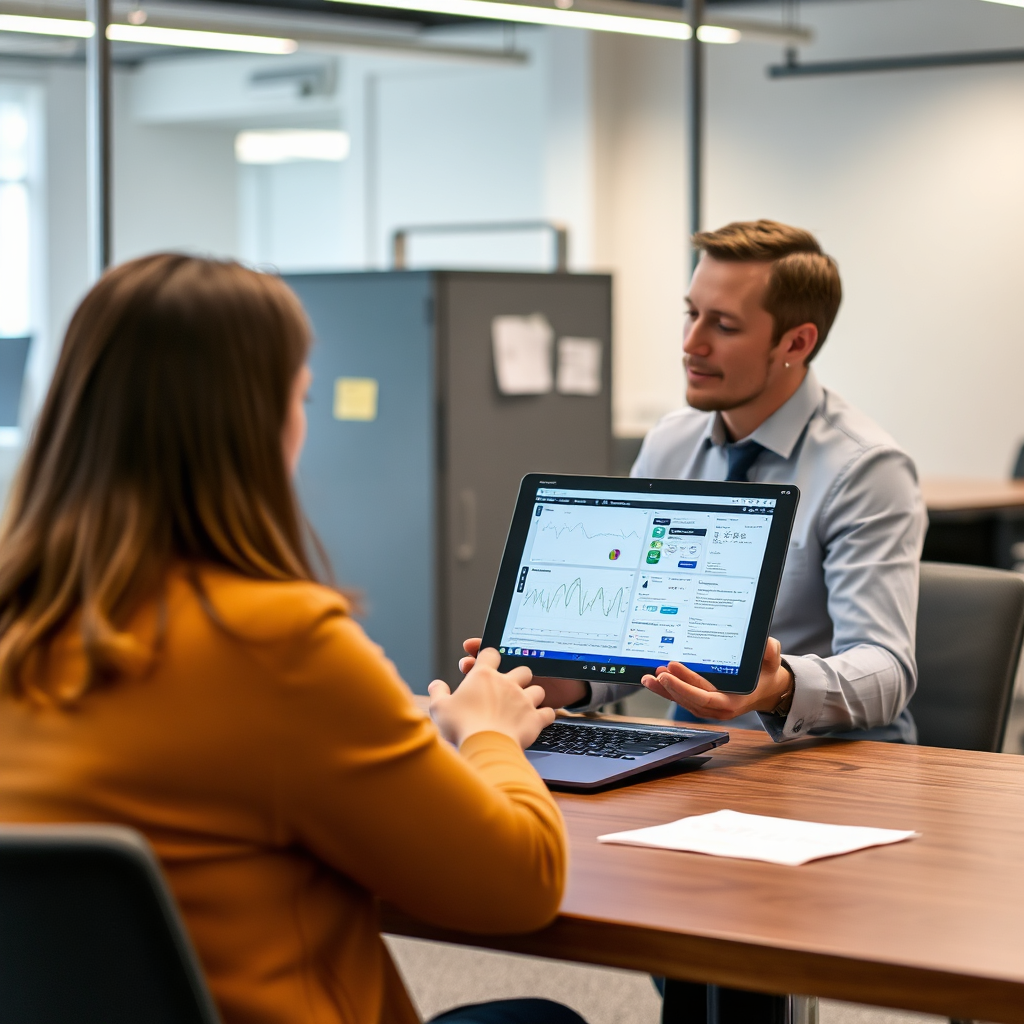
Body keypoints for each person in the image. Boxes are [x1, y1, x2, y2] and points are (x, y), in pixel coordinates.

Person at [0, 254, 586, 1024]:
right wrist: (490, 733)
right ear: (254, 422)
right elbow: (520, 886)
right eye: (299, 396)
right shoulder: (279, 646)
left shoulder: (23, 619)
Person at [465, 219, 926, 744]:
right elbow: (632, 641)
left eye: (724, 326)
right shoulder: (671, 442)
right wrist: (556, 679)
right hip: (691, 753)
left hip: (819, 762)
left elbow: (887, 669)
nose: (691, 343)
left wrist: (777, 687)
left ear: (795, 342)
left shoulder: (865, 468)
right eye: (691, 314)